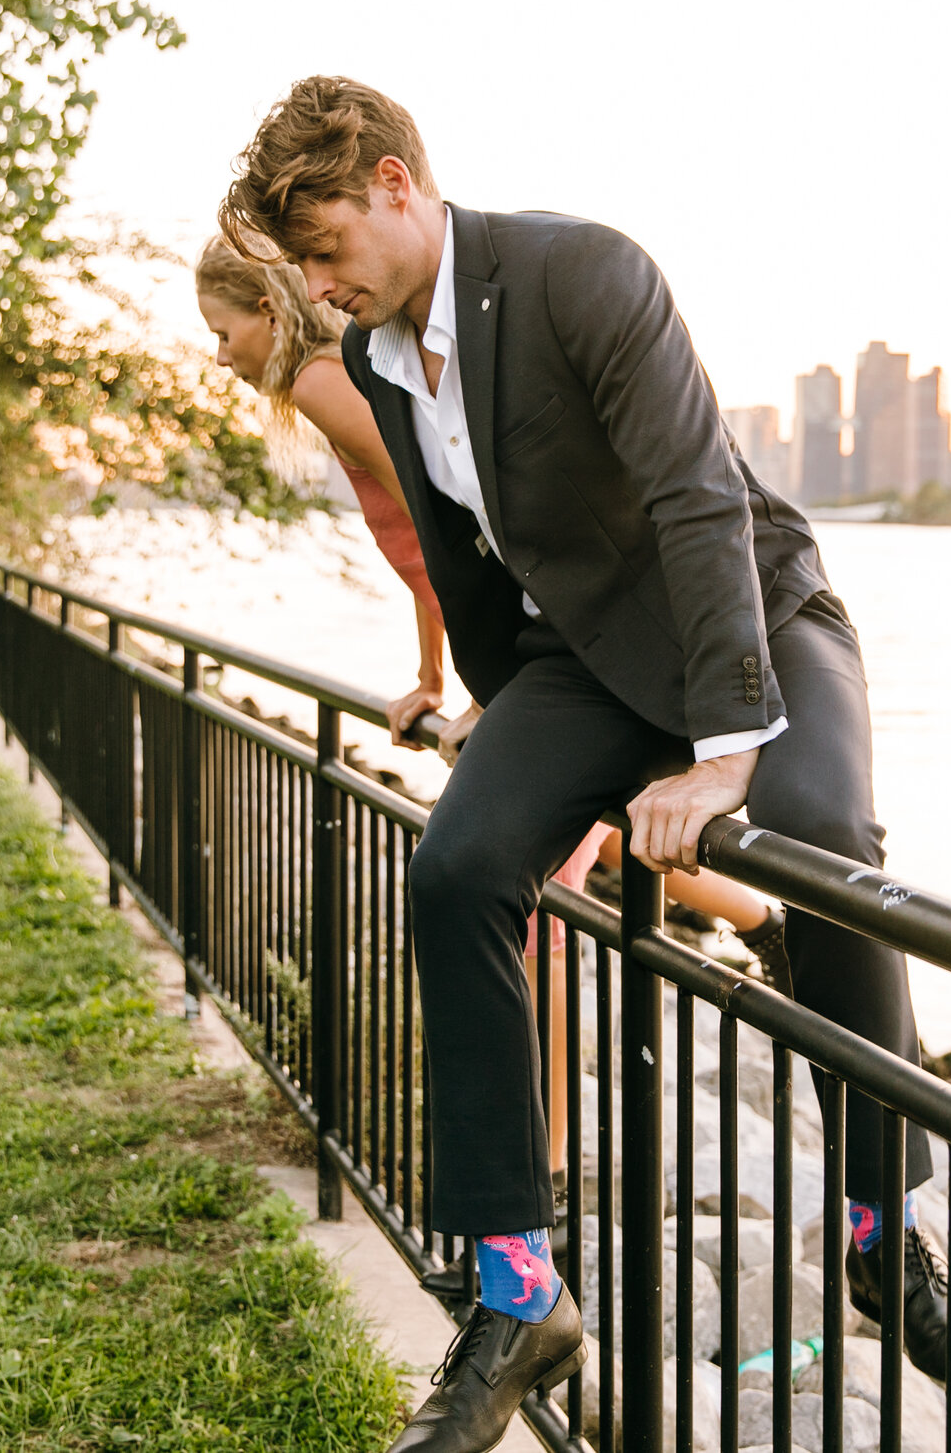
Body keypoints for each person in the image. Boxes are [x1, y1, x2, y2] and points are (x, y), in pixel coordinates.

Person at [219, 78, 951, 1453]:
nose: (318, 283)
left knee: (825, 849)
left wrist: (721, 754)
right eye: (298, 267)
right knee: (460, 866)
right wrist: (500, 725)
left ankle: (887, 1227)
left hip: (753, 610)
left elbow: (695, 495)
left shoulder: (582, 272)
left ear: (399, 184)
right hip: (582, 656)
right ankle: (520, 1291)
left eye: (328, 245)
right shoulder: (375, 361)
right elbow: (468, 559)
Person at [193, 239, 795, 1267]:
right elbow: (424, 548)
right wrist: (433, 679)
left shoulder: (322, 375)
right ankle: (766, 924)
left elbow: (446, 527)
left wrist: (482, 692)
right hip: (522, 658)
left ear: (265, 304)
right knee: (590, 850)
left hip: (537, 656)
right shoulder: (350, 368)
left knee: (534, 909)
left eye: (223, 331)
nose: (218, 355)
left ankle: (543, 1175)